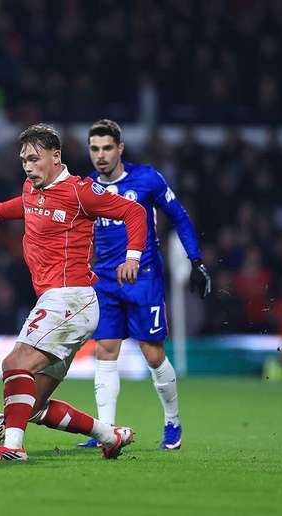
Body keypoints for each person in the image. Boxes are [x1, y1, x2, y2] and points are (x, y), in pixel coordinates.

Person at [0, 123, 147, 461]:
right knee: (31, 406)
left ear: (55, 157)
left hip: (71, 297)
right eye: (23, 160)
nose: (28, 167)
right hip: (60, 301)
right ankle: (109, 435)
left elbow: (134, 211)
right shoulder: (33, 188)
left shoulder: (79, 192)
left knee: (15, 364)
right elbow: (22, 205)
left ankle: (12, 448)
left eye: (34, 159)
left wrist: (132, 257)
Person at [76, 119, 211, 451]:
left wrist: (195, 260)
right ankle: (106, 432)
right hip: (105, 282)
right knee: (105, 351)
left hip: (143, 279)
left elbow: (178, 215)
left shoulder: (147, 179)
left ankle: (173, 421)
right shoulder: (87, 187)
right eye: (94, 149)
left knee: (152, 353)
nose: (101, 155)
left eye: (107, 148)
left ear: (120, 148)